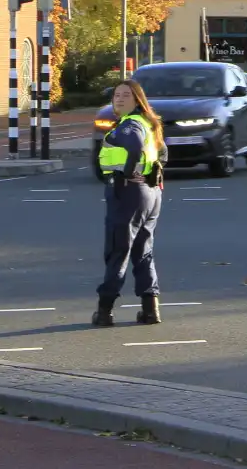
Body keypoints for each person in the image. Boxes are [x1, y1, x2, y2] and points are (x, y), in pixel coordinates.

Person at [92, 80, 167, 327]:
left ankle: (104, 311)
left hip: (128, 193)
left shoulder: (130, 125)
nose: (119, 99)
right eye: (116, 95)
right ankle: (150, 309)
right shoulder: (148, 123)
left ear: (137, 100)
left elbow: (134, 146)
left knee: (118, 251)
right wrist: (150, 172)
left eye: (126, 95)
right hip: (150, 193)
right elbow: (163, 153)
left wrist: (126, 172)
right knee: (143, 251)